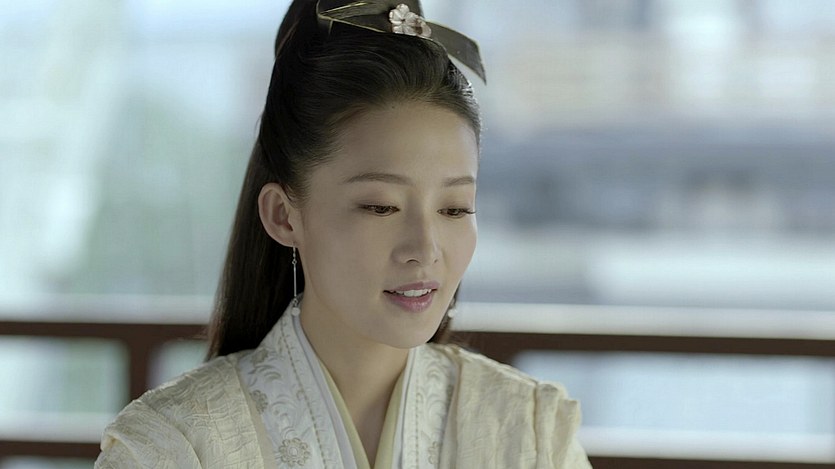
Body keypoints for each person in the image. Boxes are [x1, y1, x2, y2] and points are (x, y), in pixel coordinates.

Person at [96, 1, 591, 467]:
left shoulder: (531, 430)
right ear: (283, 216)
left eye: (455, 208)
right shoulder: (174, 443)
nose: (425, 249)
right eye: (381, 207)